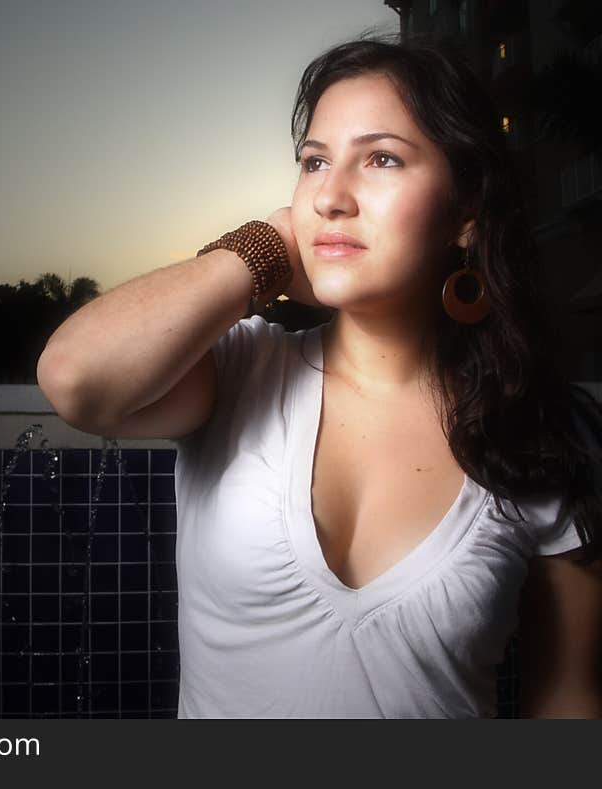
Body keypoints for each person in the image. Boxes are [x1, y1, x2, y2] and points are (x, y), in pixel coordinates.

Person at [36, 32, 602, 718]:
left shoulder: (535, 427)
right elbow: (74, 378)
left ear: (466, 212)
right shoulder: (239, 370)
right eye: (314, 162)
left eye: (382, 159)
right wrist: (264, 246)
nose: (331, 196)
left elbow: (568, 700)